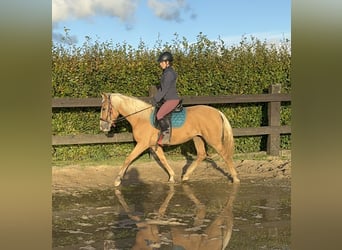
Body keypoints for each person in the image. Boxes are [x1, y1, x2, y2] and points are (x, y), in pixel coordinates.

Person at [151, 51, 180, 145]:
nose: (160, 64)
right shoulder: (167, 72)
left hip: (171, 100)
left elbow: (164, 89)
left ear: (167, 62)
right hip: (168, 99)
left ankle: (166, 135)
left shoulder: (169, 74)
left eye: (161, 62)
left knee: (159, 115)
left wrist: (155, 99)